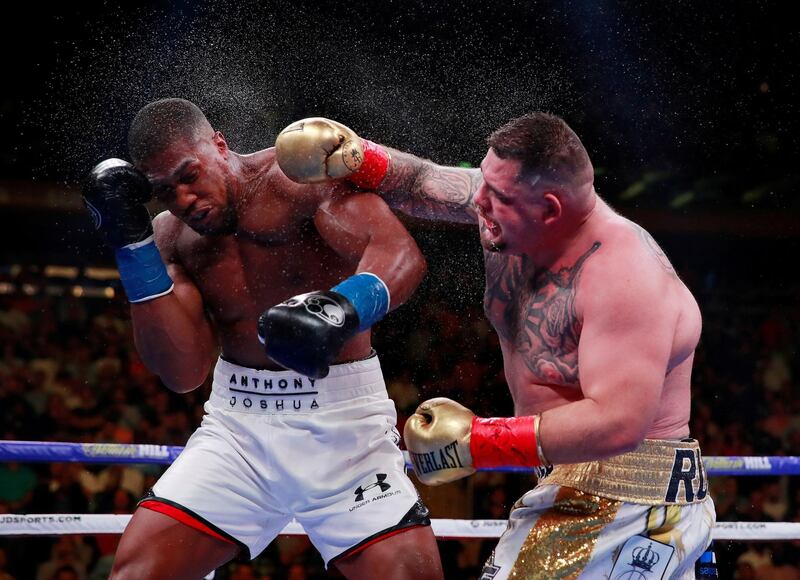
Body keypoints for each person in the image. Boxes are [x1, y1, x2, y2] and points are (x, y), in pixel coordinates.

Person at [276, 113, 717, 579]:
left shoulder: (623, 276)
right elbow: (425, 182)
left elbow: (620, 420)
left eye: (497, 196)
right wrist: (358, 158)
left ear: (550, 208)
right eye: (484, 182)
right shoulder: (508, 213)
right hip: (582, 486)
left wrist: (476, 443)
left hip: (626, 498)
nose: (478, 200)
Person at [80, 99, 443, 579]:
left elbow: (399, 253)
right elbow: (184, 373)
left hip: (343, 427)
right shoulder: (170, 237)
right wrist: (133, 251)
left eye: (190, 175)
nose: (183, 198)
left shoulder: (295, 180)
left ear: (219, 145)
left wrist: (341, 307)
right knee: (136, 574)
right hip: (238, 432)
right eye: (164, 191)